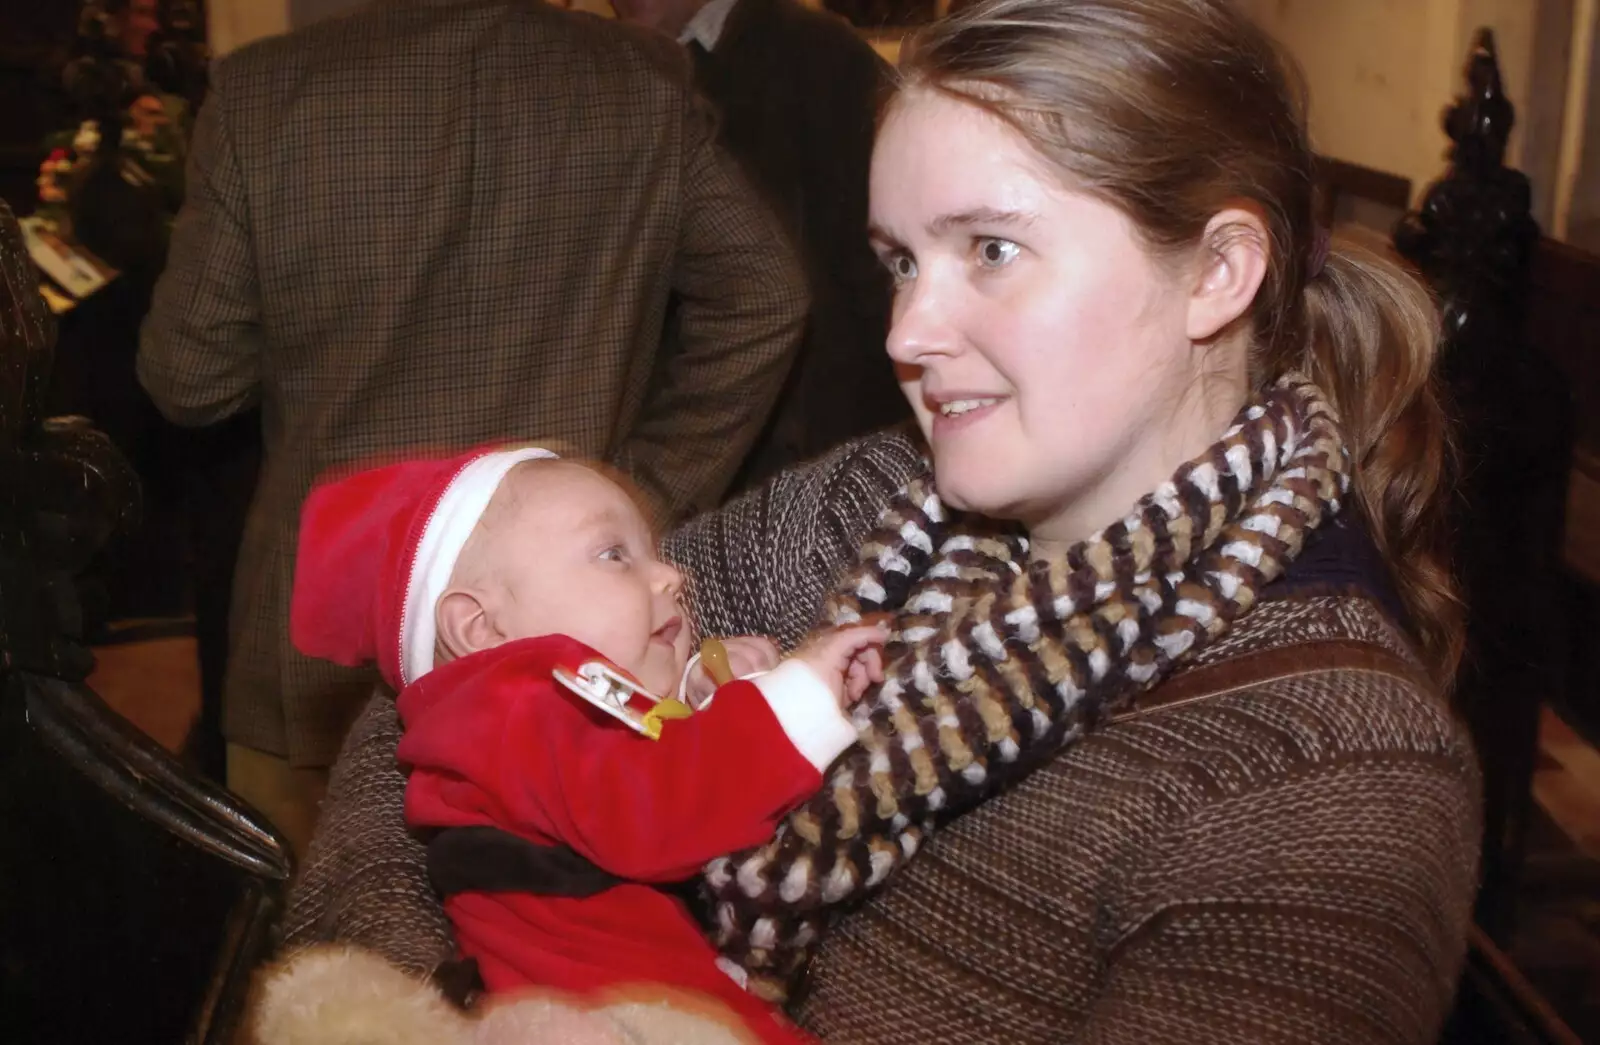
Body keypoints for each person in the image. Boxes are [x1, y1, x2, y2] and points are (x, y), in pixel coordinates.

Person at [263, 2, 1482, 1043]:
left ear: (1217, 273)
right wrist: (425, 1002)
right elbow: (442, 692)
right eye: (900, 261)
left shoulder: (1332, 775)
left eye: (991, 249)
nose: (905, 333)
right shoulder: (865, 503)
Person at [135, 0, 807, 857]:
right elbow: (765, 298)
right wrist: (640, 493)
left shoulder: (267, 92)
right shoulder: (638, 81)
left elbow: (187, 380)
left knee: (330, 951)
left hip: (325, 637)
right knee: (569, 938)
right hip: (575, 640)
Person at [289, 446, 887, 1045]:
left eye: (652, 553)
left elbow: (619, 754)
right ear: (481, 629)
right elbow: (658, 807)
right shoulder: (512, 710)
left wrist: (701, 693)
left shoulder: (501, 730)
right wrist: (799, 695)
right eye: (612, 554)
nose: (672, 575)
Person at [611, 0, 909, 491]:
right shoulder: (620, 64)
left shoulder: (814, 52)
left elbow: (871, 257)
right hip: (697, 427)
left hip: (814, 424)